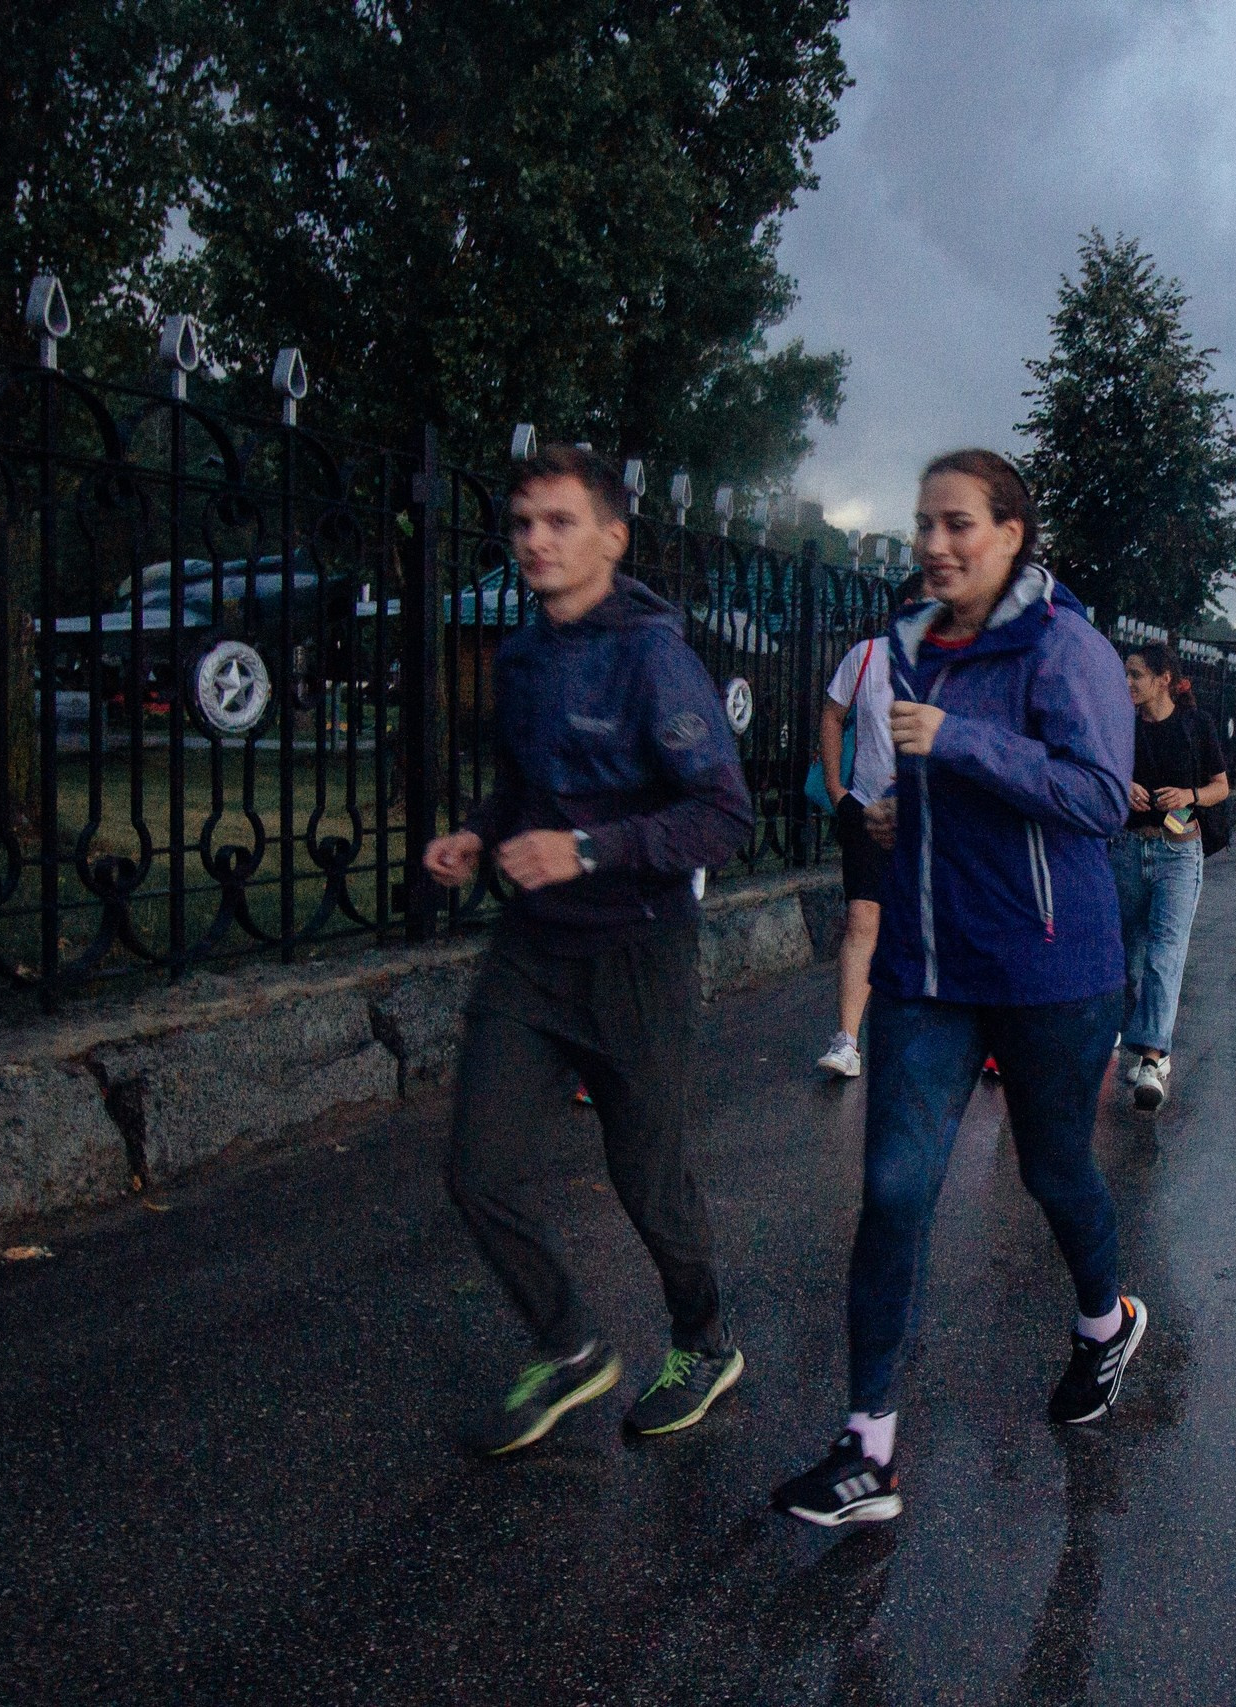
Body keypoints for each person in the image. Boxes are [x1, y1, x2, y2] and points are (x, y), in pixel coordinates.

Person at [774, 450, 1145, 1528]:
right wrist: (902, 816)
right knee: (893, 1190)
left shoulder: (1063, 648)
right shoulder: (908, 647)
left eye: (956, 525)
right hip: (928, 967)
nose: (933, 544)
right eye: (922, 524)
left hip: (1049, 970)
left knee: (1051, 1168)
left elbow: (1096, 799)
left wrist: (962, 743)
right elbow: (948, 791)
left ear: (1010, 536)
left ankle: (1102, 1322)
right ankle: (866, 1450)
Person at [422, 444, 753, 1457]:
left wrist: (585, 849)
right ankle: (569, 1348)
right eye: (522, 524)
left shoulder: (654, 657)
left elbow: (722, 816)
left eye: (558, 522)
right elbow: (526, 784)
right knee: (477, 1168)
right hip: (531, 954)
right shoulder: (520, 658)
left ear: (613, 537)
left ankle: (703, 1344)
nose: (533, 542)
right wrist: (481, 833)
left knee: (647, 1177)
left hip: (635, 955)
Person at [816, 574, 926, 1079]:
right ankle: (847, 1040)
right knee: (862, 921)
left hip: (930, 819)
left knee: (921, 928)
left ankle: (917, 1040)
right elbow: (832, 715)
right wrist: (839, 793)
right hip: (866, 809)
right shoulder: (866, 656)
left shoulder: (953, 666)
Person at [1113, 641, 1228, 1110]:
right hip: (1126, 849)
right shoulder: (1122, 725)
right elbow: (1099, 776)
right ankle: (1134, 1042)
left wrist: (1189, 794)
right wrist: (1124, 788)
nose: (1128, 684)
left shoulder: (1195, 725)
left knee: (1165, 955)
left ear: (1164, 680)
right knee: (1128, 962)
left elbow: (1221, 787)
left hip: (1179, 852)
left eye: (1136, 675)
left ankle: (1153, 1059)